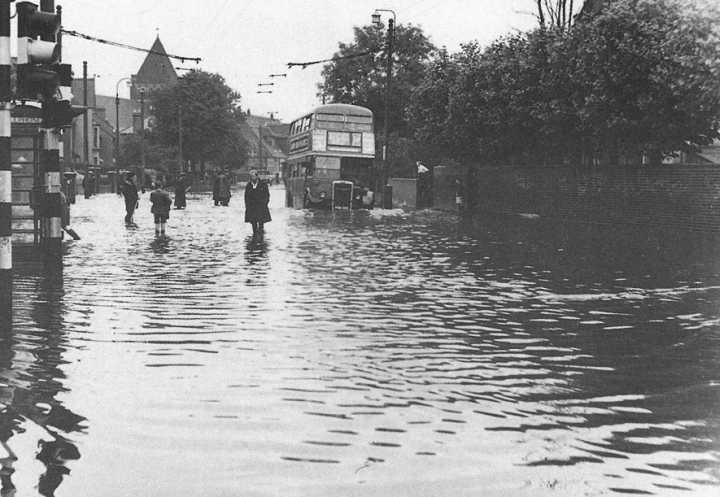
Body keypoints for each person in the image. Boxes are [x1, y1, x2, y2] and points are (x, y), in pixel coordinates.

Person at [244, 169, 271, 237]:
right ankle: (255, 236)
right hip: (252, 207)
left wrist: (264, 203)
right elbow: (246, 197)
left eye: (254, 176)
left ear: (257, 176)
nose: (253, 178)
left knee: (261, 222)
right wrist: (247, 206)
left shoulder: (263, 184)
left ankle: (261, 237)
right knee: (253, 223)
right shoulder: (249, 185)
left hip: (261, 207)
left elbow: (267, 195)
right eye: (251, 176)